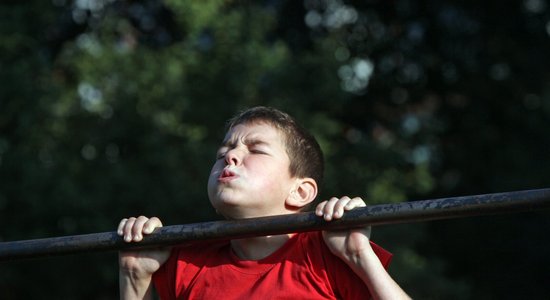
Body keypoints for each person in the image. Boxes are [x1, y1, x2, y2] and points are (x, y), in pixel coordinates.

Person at [117, 106, 410, 299]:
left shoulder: (330, 253)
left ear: (300, 192)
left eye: (255, 150)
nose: (230, 156)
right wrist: (133, 278)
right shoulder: (187, 261)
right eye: (223, 153)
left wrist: (361, 257)